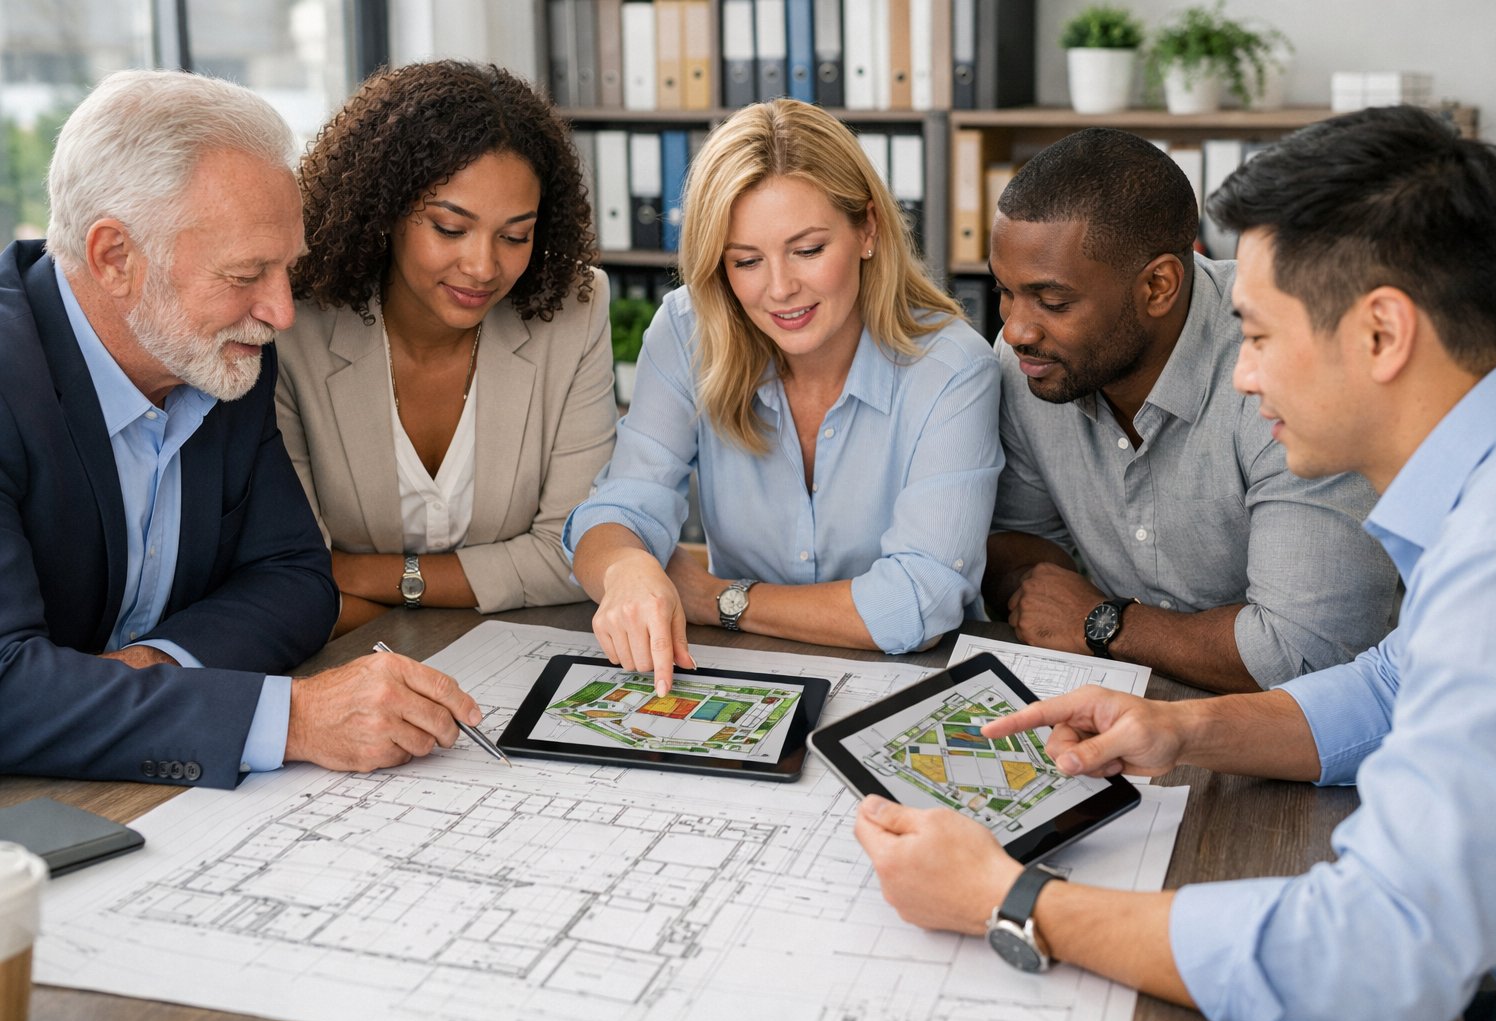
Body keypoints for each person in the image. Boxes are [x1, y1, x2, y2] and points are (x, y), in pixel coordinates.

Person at [857, 105, 1496, 1021]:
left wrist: (1009, 899)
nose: (1244, 376)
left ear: (1381, 334)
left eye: (1258, 335)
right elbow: (1389, 687)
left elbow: (1376, 957)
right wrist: (1181, 729)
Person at [0, 70, 482, 789]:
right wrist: (290, 719)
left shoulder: (215, 352)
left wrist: (154, 672)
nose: (281, 313)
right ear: (114, 258)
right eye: (245, 274)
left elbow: (296, 580)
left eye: (286, 269)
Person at [565, 99, 1002, 690]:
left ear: (868, 229)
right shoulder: (688, 330)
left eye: (808, 250)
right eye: (746, 261)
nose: (779, 289)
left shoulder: (952, 368)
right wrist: (626, 568)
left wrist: (715, 598)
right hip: (743, 676)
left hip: (910, 685)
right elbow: (615, 512)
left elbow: (916, 604)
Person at [980, 128, 1398, 693]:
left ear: (1158, 286)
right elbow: (1016, 542)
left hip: (1307, 726)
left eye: (1053, 302)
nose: (1015, 330)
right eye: (1005, 291)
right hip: (1123, 699)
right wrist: (1052, 600)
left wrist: (1102, 623)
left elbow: (1305, 654)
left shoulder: (1287, 369)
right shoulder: (1032, 361)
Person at [277, 61, 617, 637]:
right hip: (344, 656)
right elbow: (292, 571)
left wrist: (369, 577)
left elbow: (573, 554)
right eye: (450, 228)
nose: (484, 267)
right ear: (385, 210)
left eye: (515, 236)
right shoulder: (293, 326)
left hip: (510, 652)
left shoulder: (573, 309)